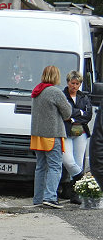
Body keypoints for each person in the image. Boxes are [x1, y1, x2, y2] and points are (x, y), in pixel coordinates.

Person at [30, 66, 72, 209]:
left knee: (40, 167)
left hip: (37, 134)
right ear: (56, 77)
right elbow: (67, 113)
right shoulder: (55, 92)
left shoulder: (37, 91)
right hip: (52, 134)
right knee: (55, 166)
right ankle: (50, 197)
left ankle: (38, 198)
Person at [60, 70, 92, 204]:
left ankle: (75, 194)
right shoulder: (62, 95)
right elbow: (64, 113)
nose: (74, 86)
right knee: (67, 160)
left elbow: (88, 115)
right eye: (72, 83)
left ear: (80, 84)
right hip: (67, 131)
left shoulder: (83, 97)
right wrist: (79, 113)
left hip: (81, 132)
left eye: (77, 83)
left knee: (79, 161)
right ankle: (80, 178)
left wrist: (74, 116)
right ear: (68, 83)